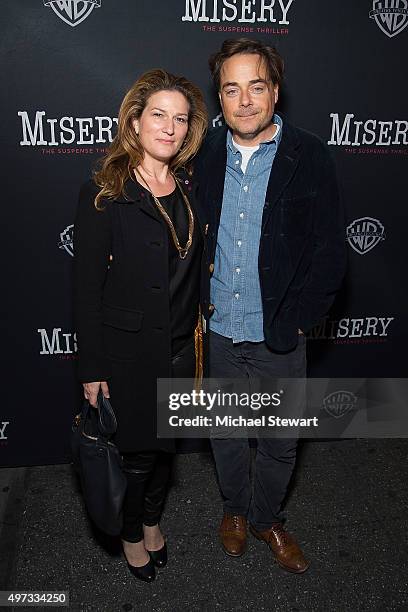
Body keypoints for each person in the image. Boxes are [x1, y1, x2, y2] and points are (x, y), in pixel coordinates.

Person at [194, 39, 346, 573]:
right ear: (220, 97)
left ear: (275, 92)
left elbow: (331, 249)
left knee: (281, 443)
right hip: (219, 328)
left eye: (256, 86)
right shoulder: (206, 151)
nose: (244, 100)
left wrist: (302, 318)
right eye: (231, 89)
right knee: (228, 435)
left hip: (278, 331)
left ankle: (266, 519)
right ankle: (235, 512)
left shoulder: (310, 154)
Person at [73, 69, 207, 582]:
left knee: (164, 451)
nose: (170, 128)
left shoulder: (189, 190)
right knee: (135, 457)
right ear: (135, 121)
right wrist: (92, 369)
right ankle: (132, 533)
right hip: (128, 352)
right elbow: (85, 290)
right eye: (159, 115)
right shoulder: (104, 192)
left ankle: (152, 521)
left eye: (180, 118)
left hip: (181, 348)